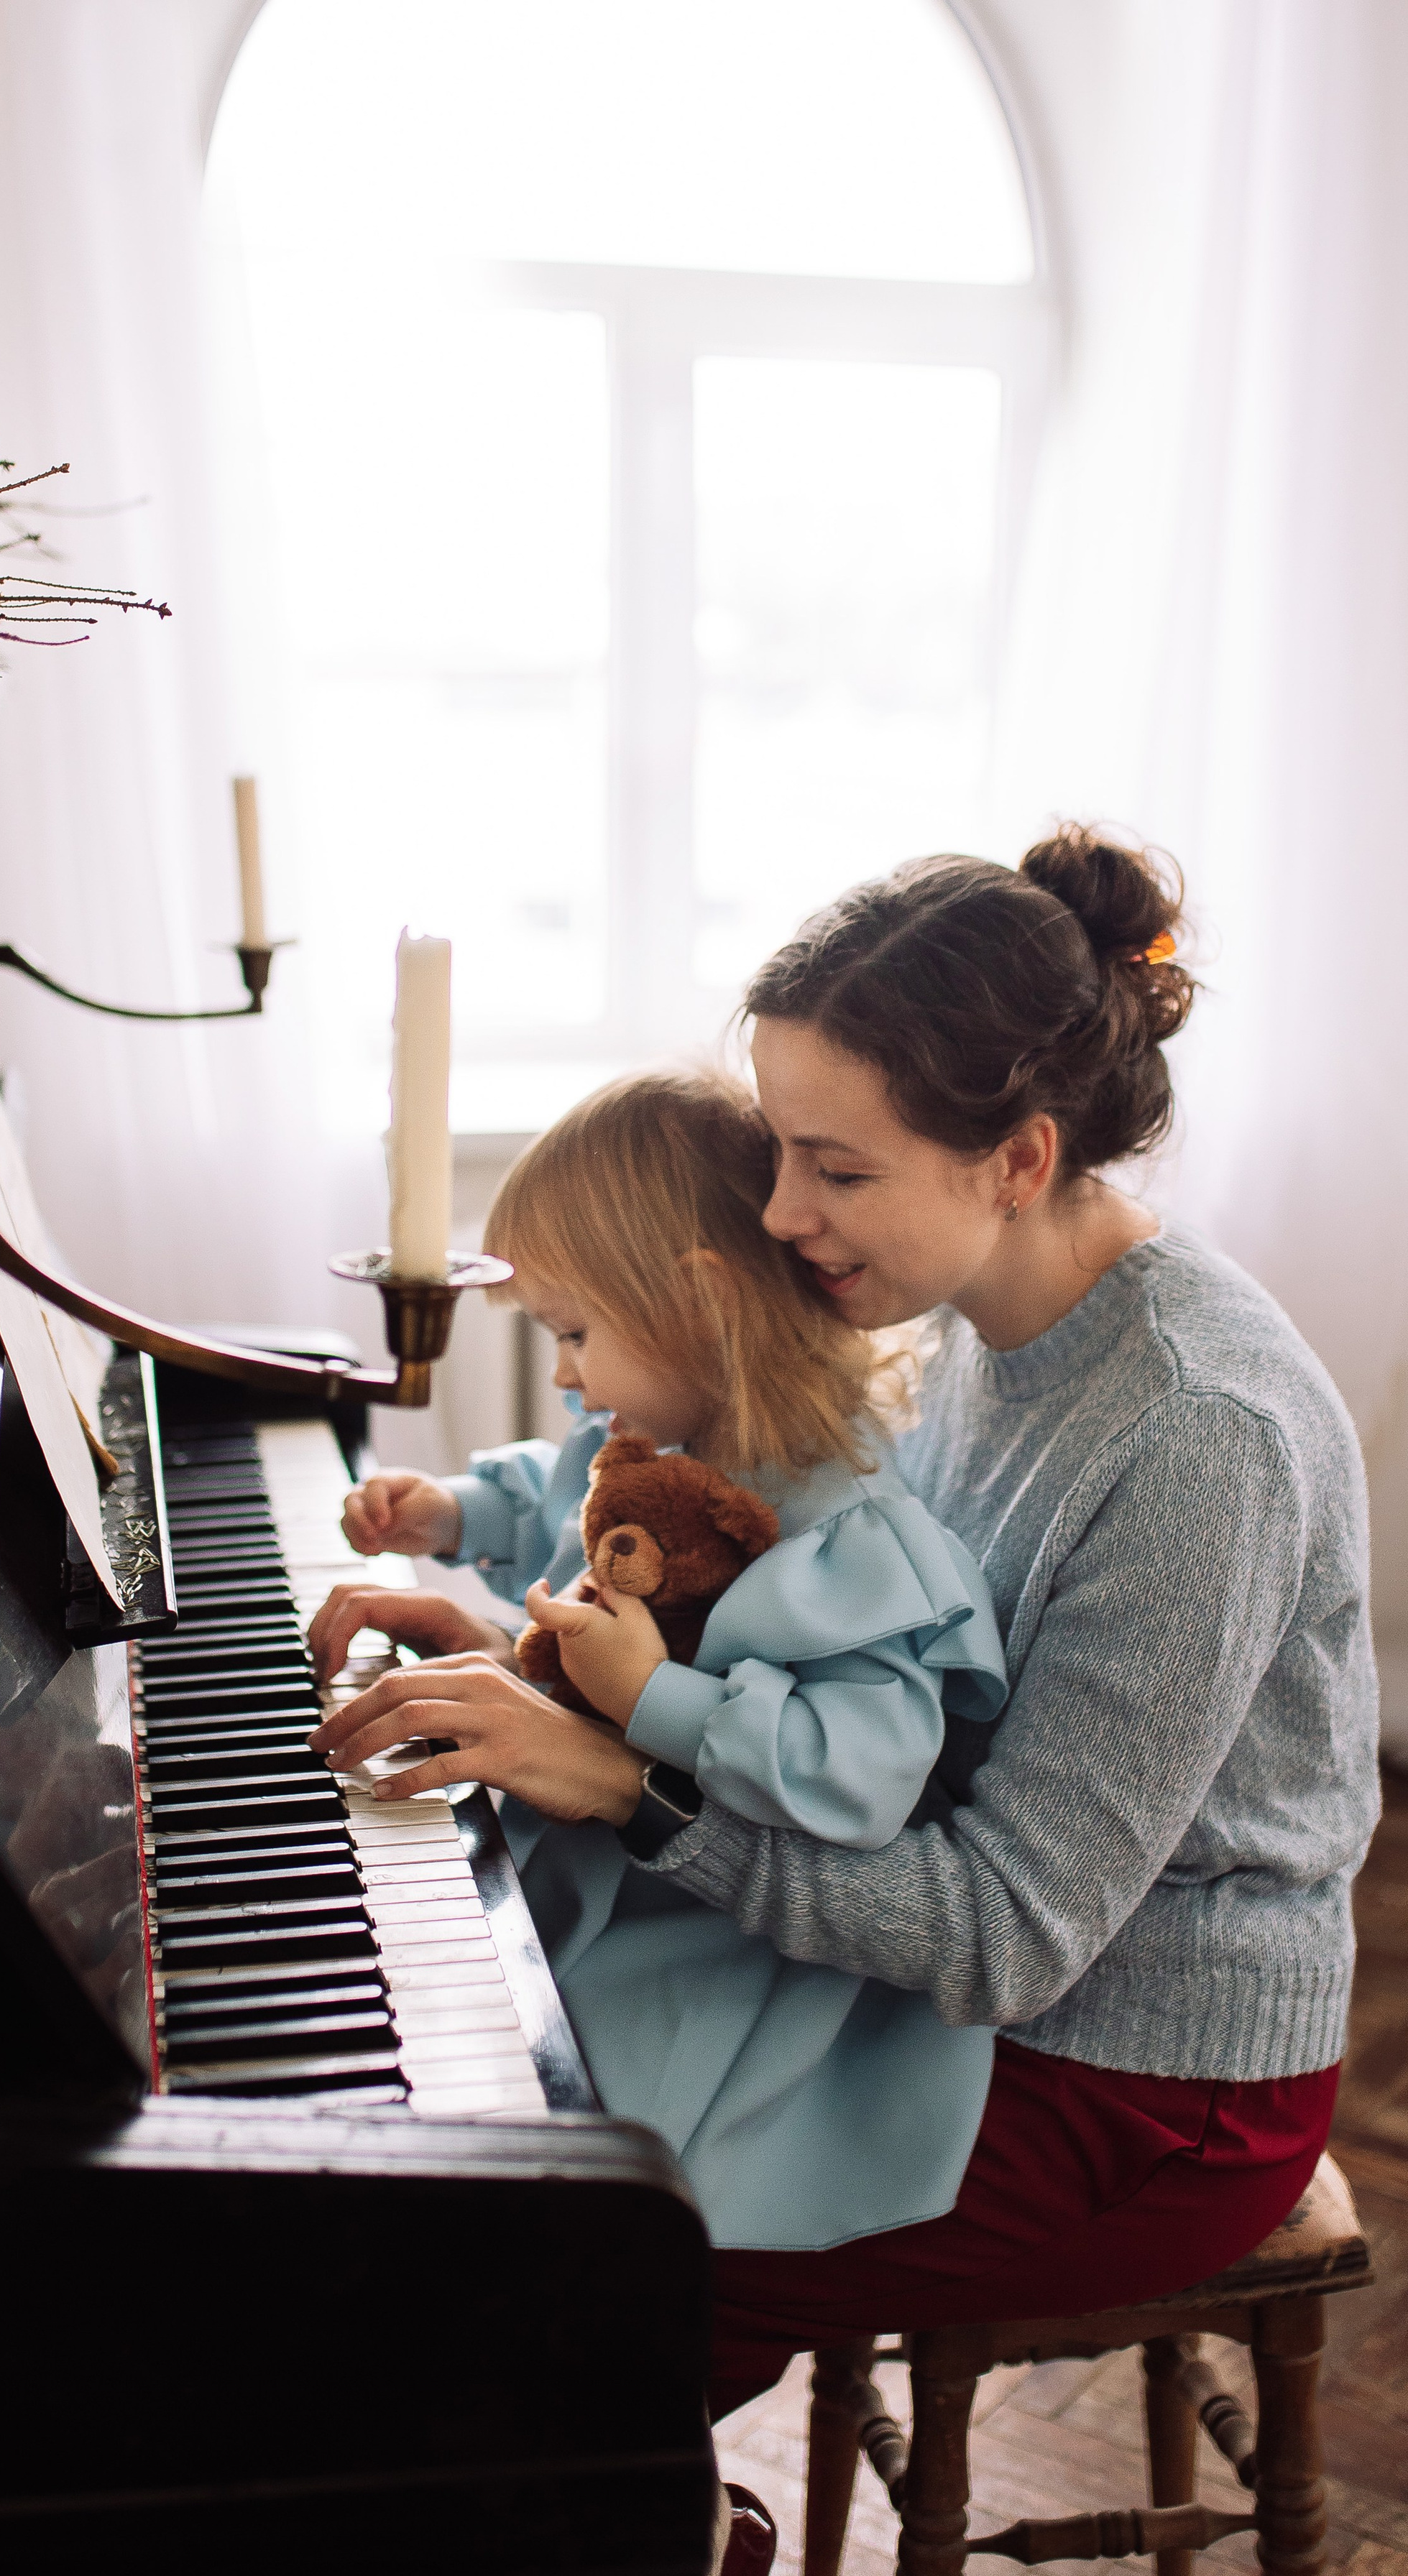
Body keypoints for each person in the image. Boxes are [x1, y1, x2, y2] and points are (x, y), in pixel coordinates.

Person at [308, 826, 1379, 2427]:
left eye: (837, 1167)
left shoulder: (1195, 1436)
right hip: (941, 1975)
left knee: (588, 2258)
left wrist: (621, 1782)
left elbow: (1003, 1934)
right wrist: (516, 1655)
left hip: (1143, 2080)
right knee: (500, 2106)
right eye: (780, 1149)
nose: (779, 1208)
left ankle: (602, 2506)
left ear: (1016, 1160)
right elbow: (799, 1623)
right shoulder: (958, 1315)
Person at [341, 1071, 1010, 2253]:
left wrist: (651, 1696)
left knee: (515, 2165)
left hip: (743, 1961)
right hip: (623, 1875)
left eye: (574, 1332)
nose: (564, 1373)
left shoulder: (848, 1533)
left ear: (699, 1301)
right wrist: (449, 1511)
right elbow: (556, 1492)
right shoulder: (654, 1439)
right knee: (413, 2000)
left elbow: (857, 1777)